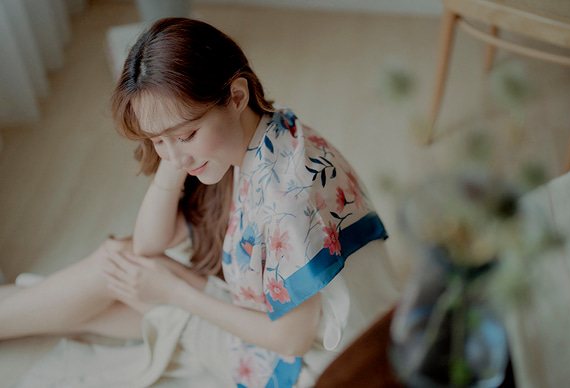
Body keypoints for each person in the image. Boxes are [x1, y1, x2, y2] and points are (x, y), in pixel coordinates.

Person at [0, 18, 399, 388]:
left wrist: (176, 294)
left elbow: (291, 340)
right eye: (156, 140)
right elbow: (148, 244)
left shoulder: (283, 196)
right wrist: (176, 147)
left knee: (136, 280)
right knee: (130, 268)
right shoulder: (276, 136)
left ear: (237, 96)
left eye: (187, 134)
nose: (172, 156)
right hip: (336, 333)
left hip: (311, 366)